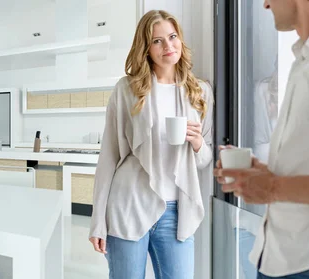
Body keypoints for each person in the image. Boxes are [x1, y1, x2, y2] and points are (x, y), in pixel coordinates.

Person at [89, 9, 214, 279]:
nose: (168, 46)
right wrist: (98, 221)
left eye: (172, 37)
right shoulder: (126, 90)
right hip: (129, 203)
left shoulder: (200, 92)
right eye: (157, 41)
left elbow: (205, 160)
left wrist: (197, 144)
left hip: (176, 212)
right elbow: (108, 157)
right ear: (145, 48)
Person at [214, 0, 309, 278]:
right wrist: (264, 174)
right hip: (281, 256)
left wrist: (273, 188)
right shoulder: (305, 56)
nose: (266, 4)